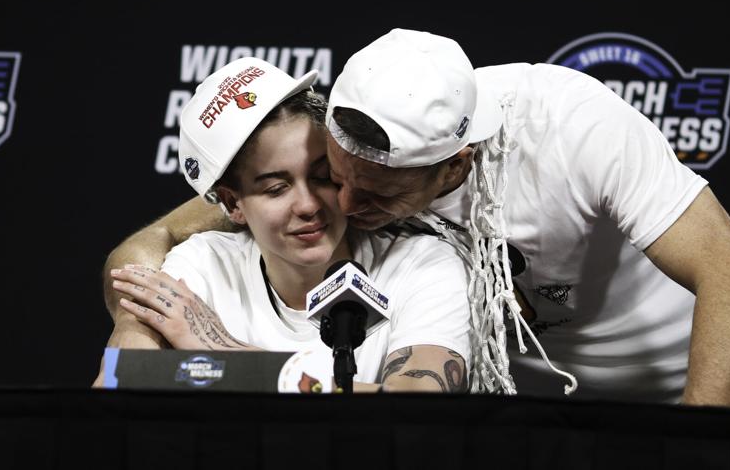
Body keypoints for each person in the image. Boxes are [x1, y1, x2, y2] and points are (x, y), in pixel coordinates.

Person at [99, 29, 730, 407]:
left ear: (455, 166)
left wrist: (695, 439)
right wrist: (136, 281)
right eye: (338, 173)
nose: (342, 206)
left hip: (668, 382)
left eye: (377, 196)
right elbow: (181, 227)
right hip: (512, 403)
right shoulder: (367, 131)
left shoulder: (568, 126)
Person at [100, 57, 472, 392]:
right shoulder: (204, 264)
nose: (308, 205)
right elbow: (119, 387)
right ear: (233, 203)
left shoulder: (421, 264)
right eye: (277, 189)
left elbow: (417, 409)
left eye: (324, 177)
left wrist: (222, 352)